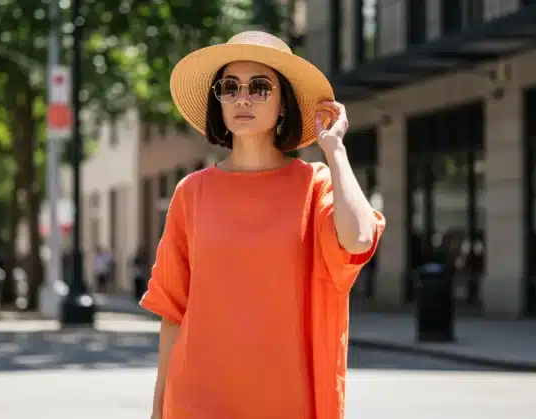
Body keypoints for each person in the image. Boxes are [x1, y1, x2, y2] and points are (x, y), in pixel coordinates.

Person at [139, 31, 386, 419]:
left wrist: (335, 150)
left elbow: (357, 238)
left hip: (286, 402)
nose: (243, 98)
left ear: (284, 103)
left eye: (259, 87)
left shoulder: (314, 185)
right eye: (230, 87)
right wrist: (157, 411)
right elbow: (173, 312)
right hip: (196, 401)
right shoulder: (192, 193)